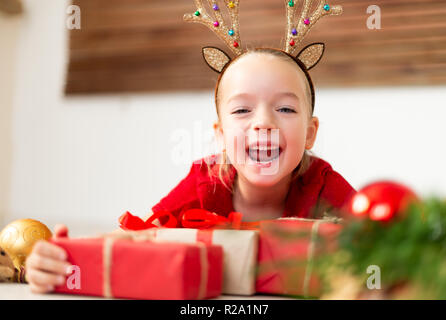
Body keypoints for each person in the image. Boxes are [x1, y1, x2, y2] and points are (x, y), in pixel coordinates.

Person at [25, 47, 356, 293]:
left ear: (310, 132)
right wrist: (63, 257)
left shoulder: (324, 185)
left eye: (285, 108)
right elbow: (140, 235)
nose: (264, 123)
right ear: (221, 134)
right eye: (242, 110)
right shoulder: (204, 183)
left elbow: (387, 242)